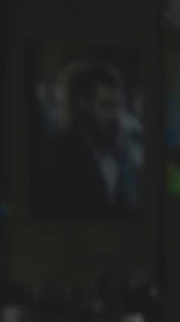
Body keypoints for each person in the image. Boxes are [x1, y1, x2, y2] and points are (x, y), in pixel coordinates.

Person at [36, 62, 142, 220]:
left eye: (118, 106)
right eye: (106, 105)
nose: (115, 115)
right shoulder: (60, 153)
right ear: (84, 105)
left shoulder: (123, 153)